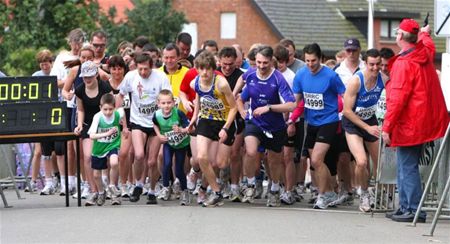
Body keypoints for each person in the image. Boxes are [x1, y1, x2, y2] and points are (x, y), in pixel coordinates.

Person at [382, 19, 449, 223]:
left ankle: (412, 209)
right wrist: (425, 33)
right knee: (406, 165)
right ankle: (407, 207)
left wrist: (387, 127)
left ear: (401, 36)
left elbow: (397, 99)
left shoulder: (404, 63)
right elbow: (427, 45)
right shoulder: (423, 54)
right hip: (423, 121)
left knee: (407, 166)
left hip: (409, 123)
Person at [236, 45, 296, 207]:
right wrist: (243, 112)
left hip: (275, 125)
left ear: (271, 62)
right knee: (250, 151)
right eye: (258, 62)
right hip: (254, 122)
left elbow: (291, 105)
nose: (261, 66)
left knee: (274, 160)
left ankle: (275, 189)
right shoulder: (251, 75)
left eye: (265, 63)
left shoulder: (278, 78)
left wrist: (269, 107)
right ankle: (250, 184)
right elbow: (240, 98)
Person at [292, 43, 346, 209]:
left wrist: (346, 114)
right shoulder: (301, 75)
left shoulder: (331, 76)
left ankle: (323, 195)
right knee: (314, 163)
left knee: (317, 159)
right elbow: (295, 102)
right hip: (311, 122)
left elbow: (345, 95)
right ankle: (329, 192)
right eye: (307, 61)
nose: (310, 64)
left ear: (320, 59)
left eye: (313, 61)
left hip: (329, 121)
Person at [116, 54, 171, 204]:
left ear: (151, 66)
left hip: (156, 123)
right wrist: (119, 114)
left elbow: (168, 98)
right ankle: (138, 185)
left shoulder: (160, 77)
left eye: (146, 69)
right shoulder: (131, 76)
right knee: (139, 155)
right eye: (140, 69)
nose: (143, 72)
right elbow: (120, 96)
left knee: (152, 161)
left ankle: (152, 190)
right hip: (137, 121)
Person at [188, 51, 237, 207]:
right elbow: (198, 96)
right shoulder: (195, 82)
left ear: (213, 68)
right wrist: (195, 116)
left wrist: (225, 128)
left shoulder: (221, 83)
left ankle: (209, 184)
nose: (204, 72)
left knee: (219, 163)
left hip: (224, 122)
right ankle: (216, 192)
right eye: (201, 69)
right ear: (197, 69)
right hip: (206, 120)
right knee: (202, 157)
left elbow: (234, 107)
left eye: (207, 69)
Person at [342, 49, 385, 212]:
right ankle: (364, 193)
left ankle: (377, 191)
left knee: (381, 163)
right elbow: (346, 110)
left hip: (371, 121)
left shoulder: (384, 79)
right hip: (353, 123)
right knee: (361, 161)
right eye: (371, 65)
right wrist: (367, 127)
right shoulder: (356, 81)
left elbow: (388, 103)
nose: (375, 68)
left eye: (378, 64)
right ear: (365, 64)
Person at [74, 60, 114, 206]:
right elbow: (80, 109)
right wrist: (79, 125)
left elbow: (112, 107)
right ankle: (94, 190)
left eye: (90, 77)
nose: (87, 80)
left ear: (96, 75)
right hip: (89, 125)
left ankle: (109, 186)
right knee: (87, 156)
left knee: (109, 157)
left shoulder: (104, 87)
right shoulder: (79, 90)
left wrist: (113, 124)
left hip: (104, 125)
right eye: (85, 77)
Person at [152, 89, 191, 205]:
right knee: (167, 163)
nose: (166, 105)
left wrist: (180, 130)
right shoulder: (157, 114)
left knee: (178, 170)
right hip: (168, 143)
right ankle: (166, 187)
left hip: (181, 144)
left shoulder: (178, 113)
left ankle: (184, 191)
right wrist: (159, 135)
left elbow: (188, 128)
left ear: (173, 102)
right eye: (163, 103)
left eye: (169, 102)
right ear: (158, 104)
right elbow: (154, 124)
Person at [88, 94, 125, 206]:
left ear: (114, 107)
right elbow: (91, 136)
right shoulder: (98, 117)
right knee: (96, 175)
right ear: (100, 108)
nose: (108, 112)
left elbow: (122, 110)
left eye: (110, 109)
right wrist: (107, 133)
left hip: (113, 144)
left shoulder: (118, 114)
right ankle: (101, 192)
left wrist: (125, 127)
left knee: (114, 162)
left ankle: (113, 187)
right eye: (105, 109)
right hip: (99, 147)